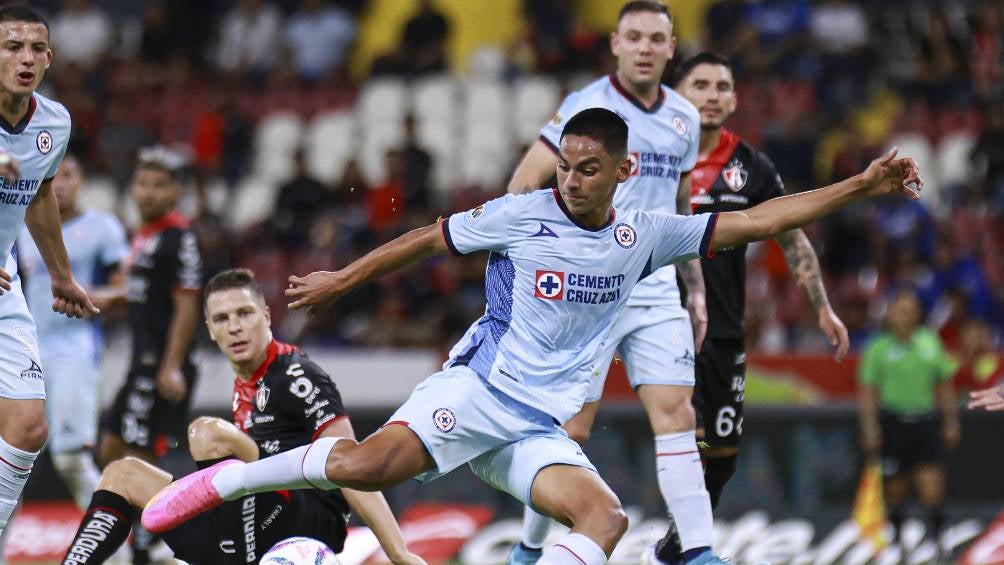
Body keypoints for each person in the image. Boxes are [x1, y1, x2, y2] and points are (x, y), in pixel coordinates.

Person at [142, 107, 923, 565]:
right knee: (363, 468)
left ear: (623, 172)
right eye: (567, 166)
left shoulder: (646, 235)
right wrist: (342, 280)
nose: (570, 179)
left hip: (536, 423)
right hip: (476, 390)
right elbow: (425, 237)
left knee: (605, 520)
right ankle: (227, 480)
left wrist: (861, 184)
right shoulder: (522, 216)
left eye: (588, 169)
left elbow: (761, 218)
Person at [506, 3, 713, 562]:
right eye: (635, 37)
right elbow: (526, 179)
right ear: (616, 44)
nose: (645, 47)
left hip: (653, 284)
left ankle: (698, 551)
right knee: (569, 431)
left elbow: (680, 203)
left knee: (678, 413)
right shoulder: (586, 106)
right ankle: (529, 546)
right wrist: (531, 263)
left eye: (656, 39)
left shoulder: (685, 119)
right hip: (588, 285)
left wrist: (693, 287)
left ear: (672, 49)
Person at [59, 268, 425, 565]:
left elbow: (350, 462)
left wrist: (398, 551)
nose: (234, 326)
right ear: (211, 330)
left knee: (206, 433)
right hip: (248, 521)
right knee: (122, 474)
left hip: (300, 524)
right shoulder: (248, 382)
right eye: (222, 319)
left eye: (244, 313)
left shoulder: (296, 376)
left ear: (266, 316)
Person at [646, 51, 852, 563]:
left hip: (723, 327)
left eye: (722, 86)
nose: (712, 95)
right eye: (701, 84)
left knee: (721, 457)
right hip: (658, 322)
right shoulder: (651, 159)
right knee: (680, 435)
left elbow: (792, 238)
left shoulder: (751, 167)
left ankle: (675, 547)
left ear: (735, 99)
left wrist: (822, 307)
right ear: (678, 94)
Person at [0, 4, 99, 537]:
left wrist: (60, 274)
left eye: (36, 48)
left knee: (29, 425)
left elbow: (37, 192)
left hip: (4, 284)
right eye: (12, 46)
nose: (26, 58)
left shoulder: (54, 122)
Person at [98, 146, 202, 563]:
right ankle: (147, 534)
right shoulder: (146, 237)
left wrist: (172, 365)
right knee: (110, 449)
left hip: (160, 365)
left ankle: (155, 540)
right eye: (142, 183)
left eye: (159, 185)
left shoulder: (180, 237)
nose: (148, 192)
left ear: (176, 191)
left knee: (141, 457)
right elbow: (136, 293)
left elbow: (187, 304)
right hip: (138, 364)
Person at [15, 155, 128, 510]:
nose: (61, 183)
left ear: (82, 183)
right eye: (55, 176)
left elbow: (126, 288)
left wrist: (97, 297)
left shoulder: (103, 228)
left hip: (75, 351)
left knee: (71, 461)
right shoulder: (22, 224)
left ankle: (114, 552)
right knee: (10, 461)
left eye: (69, 176)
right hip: (24, 350)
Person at [858, 288, 957, 556]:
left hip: (925, 423)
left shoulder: (930, 343)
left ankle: (939, 543)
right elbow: (868, 393)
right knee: (896, 491)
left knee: (933, 490)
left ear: (918, 314)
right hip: (893, 424)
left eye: (911, 310)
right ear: (890, 314)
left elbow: (945, 385)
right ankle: (898, 542)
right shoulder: (878, 347)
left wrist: (950, 421)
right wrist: (870, 428)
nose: (906, 315)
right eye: (901, 309)